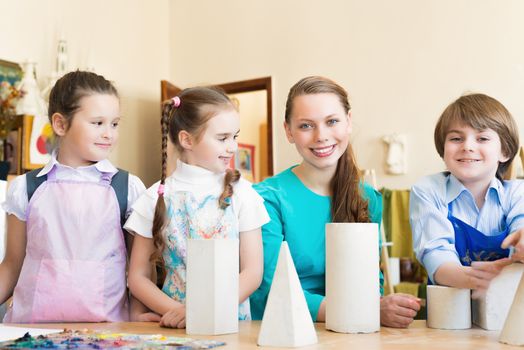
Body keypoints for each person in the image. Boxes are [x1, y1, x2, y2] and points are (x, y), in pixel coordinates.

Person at [250, 76, 420, 328]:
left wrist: (374, 306)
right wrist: (361, 310)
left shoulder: (368, 198)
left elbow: (372, 279)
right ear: (288, 131)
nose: (321, 136)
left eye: (332, 121)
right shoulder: (265, 198)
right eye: (306, 126)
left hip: (348, 331)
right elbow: (270, 290)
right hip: (283, 333)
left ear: (348, 122)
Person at [0, 70, 145, 322]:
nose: (109, 133)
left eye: (114, 123)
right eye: (97, 123)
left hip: (107, 333)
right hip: (31, 332)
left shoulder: (128, 188)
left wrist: (138, 321)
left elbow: (140, 271)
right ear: (60, 124)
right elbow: (12, 265)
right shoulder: (26, 188)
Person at [126, 87, 269, 329]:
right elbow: (138, 277)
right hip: (174, 325)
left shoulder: (244, 193)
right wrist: (179, 312)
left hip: (230, 324)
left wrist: (205, 310)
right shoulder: (153, 197)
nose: (233, 147)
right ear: (187, 139)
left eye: (235, 136)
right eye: (223, 138)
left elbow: (253, 271)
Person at [410, 93, 524, 297]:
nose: (468, 146)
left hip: (505, 315)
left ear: (504, 151)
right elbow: (435, 254)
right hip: (448, 316)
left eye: (482, 138)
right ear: (443, 149)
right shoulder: (428, 190)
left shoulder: (518, 193)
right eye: (456, 138)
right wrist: (474, 279)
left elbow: (521, 227)